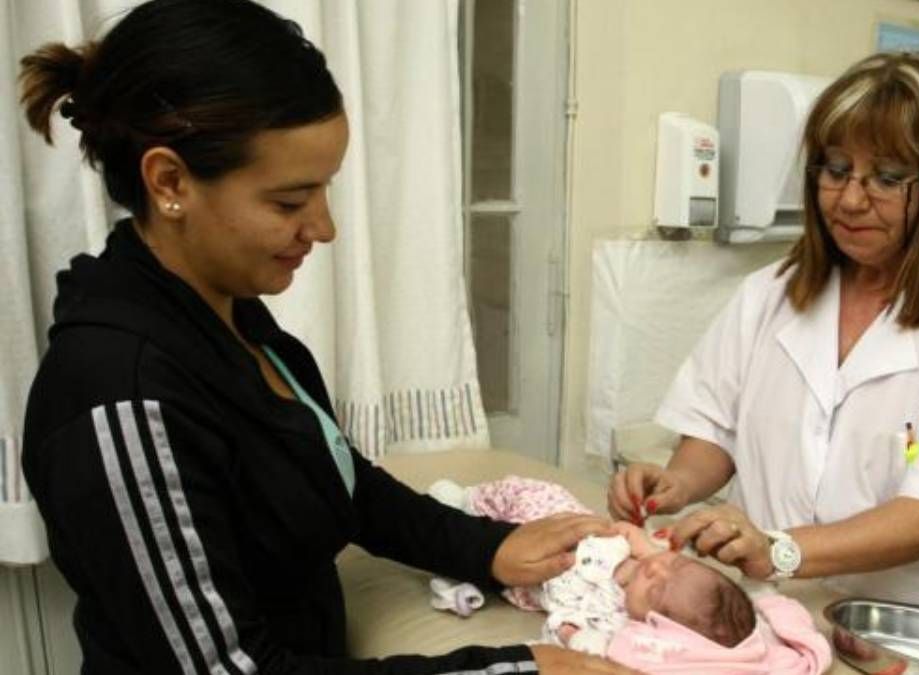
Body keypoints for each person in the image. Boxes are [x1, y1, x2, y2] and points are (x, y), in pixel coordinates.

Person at [18, 1, 637, 673]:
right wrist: (516, 667)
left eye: (324, 191)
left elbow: (337, 481)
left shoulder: (229, 316)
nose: (324, 226)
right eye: (289, 202)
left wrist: (484, 546)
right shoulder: (122, 393)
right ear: (170, 182)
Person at [609, 51, 919, 639]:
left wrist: (782, 549)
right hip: (785, 613)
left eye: (888, 178)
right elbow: (715, 429)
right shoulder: (770, 294)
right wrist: (678, 483)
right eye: (835, 169)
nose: (849, 199)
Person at [429, 476, 757, 653]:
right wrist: (638, 542)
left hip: (539, 579)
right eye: (676, 566)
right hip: (568, 526)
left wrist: (575, 638)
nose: (656, 570)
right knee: (535, 494)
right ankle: (468, 499)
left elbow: (567, 633)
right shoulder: (647, 554)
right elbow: (623, 531)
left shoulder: (617, 624)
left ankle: (461, 543)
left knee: (499, 572)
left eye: (657, 591)